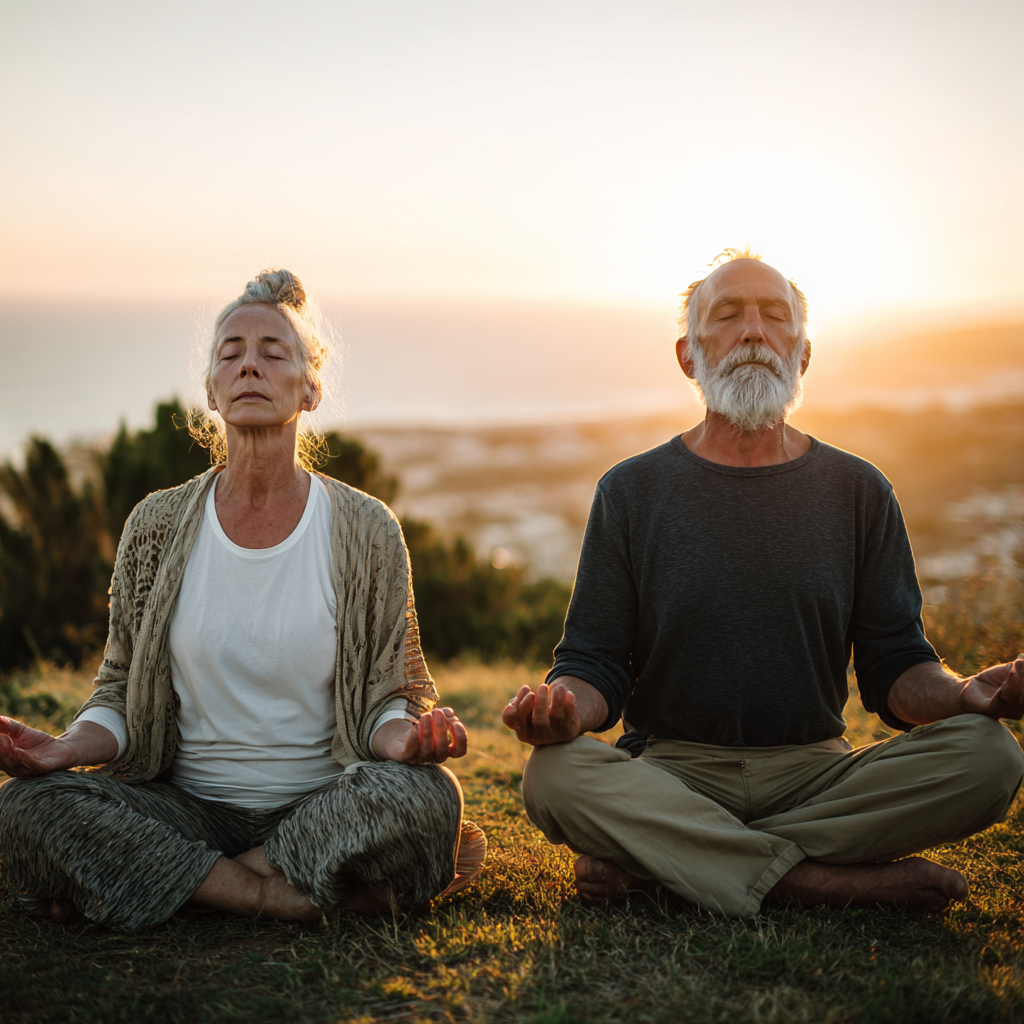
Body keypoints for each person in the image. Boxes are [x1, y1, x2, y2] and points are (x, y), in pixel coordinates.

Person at [503, 248, 1024, 918]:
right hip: (673, 773)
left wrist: (964, 695)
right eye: (728, 316)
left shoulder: (860, 491)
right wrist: (562, 707)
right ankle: (819, 884)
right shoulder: (630, 491)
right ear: (689, 356)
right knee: (554, 775)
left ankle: (673, 869)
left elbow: (896, 665)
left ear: (802, 355)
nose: (753, 331)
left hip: (818, 774)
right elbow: (594, 662)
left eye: (775, 317)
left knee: (990, 757)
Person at [0, 269, 485, 929]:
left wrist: (406, 742)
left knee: (428, 796)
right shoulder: (155, 525)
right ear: (211, 390)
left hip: (322, 802)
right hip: (186, 809)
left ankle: (181, 882)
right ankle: (277, 891)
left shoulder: (367, 530)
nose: (249, 365)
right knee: (25, 807)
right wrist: (65, 747)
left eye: (273, 353)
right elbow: (118, 693)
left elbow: (384, 701)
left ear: (310, 388)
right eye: (231, 354)